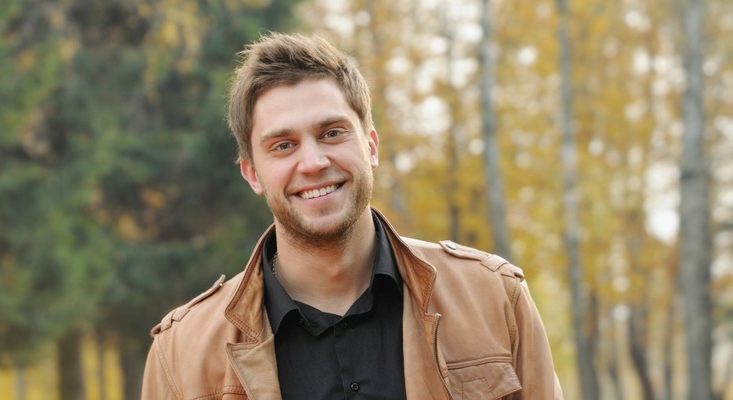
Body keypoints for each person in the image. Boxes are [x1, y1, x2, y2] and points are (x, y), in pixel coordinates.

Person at [141, 32, 563, 400]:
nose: (313, 162)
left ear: (372, 146)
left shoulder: (494, 298)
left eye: (332, 133)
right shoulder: (180, 353)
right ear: (252, 173)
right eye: (283, 145)